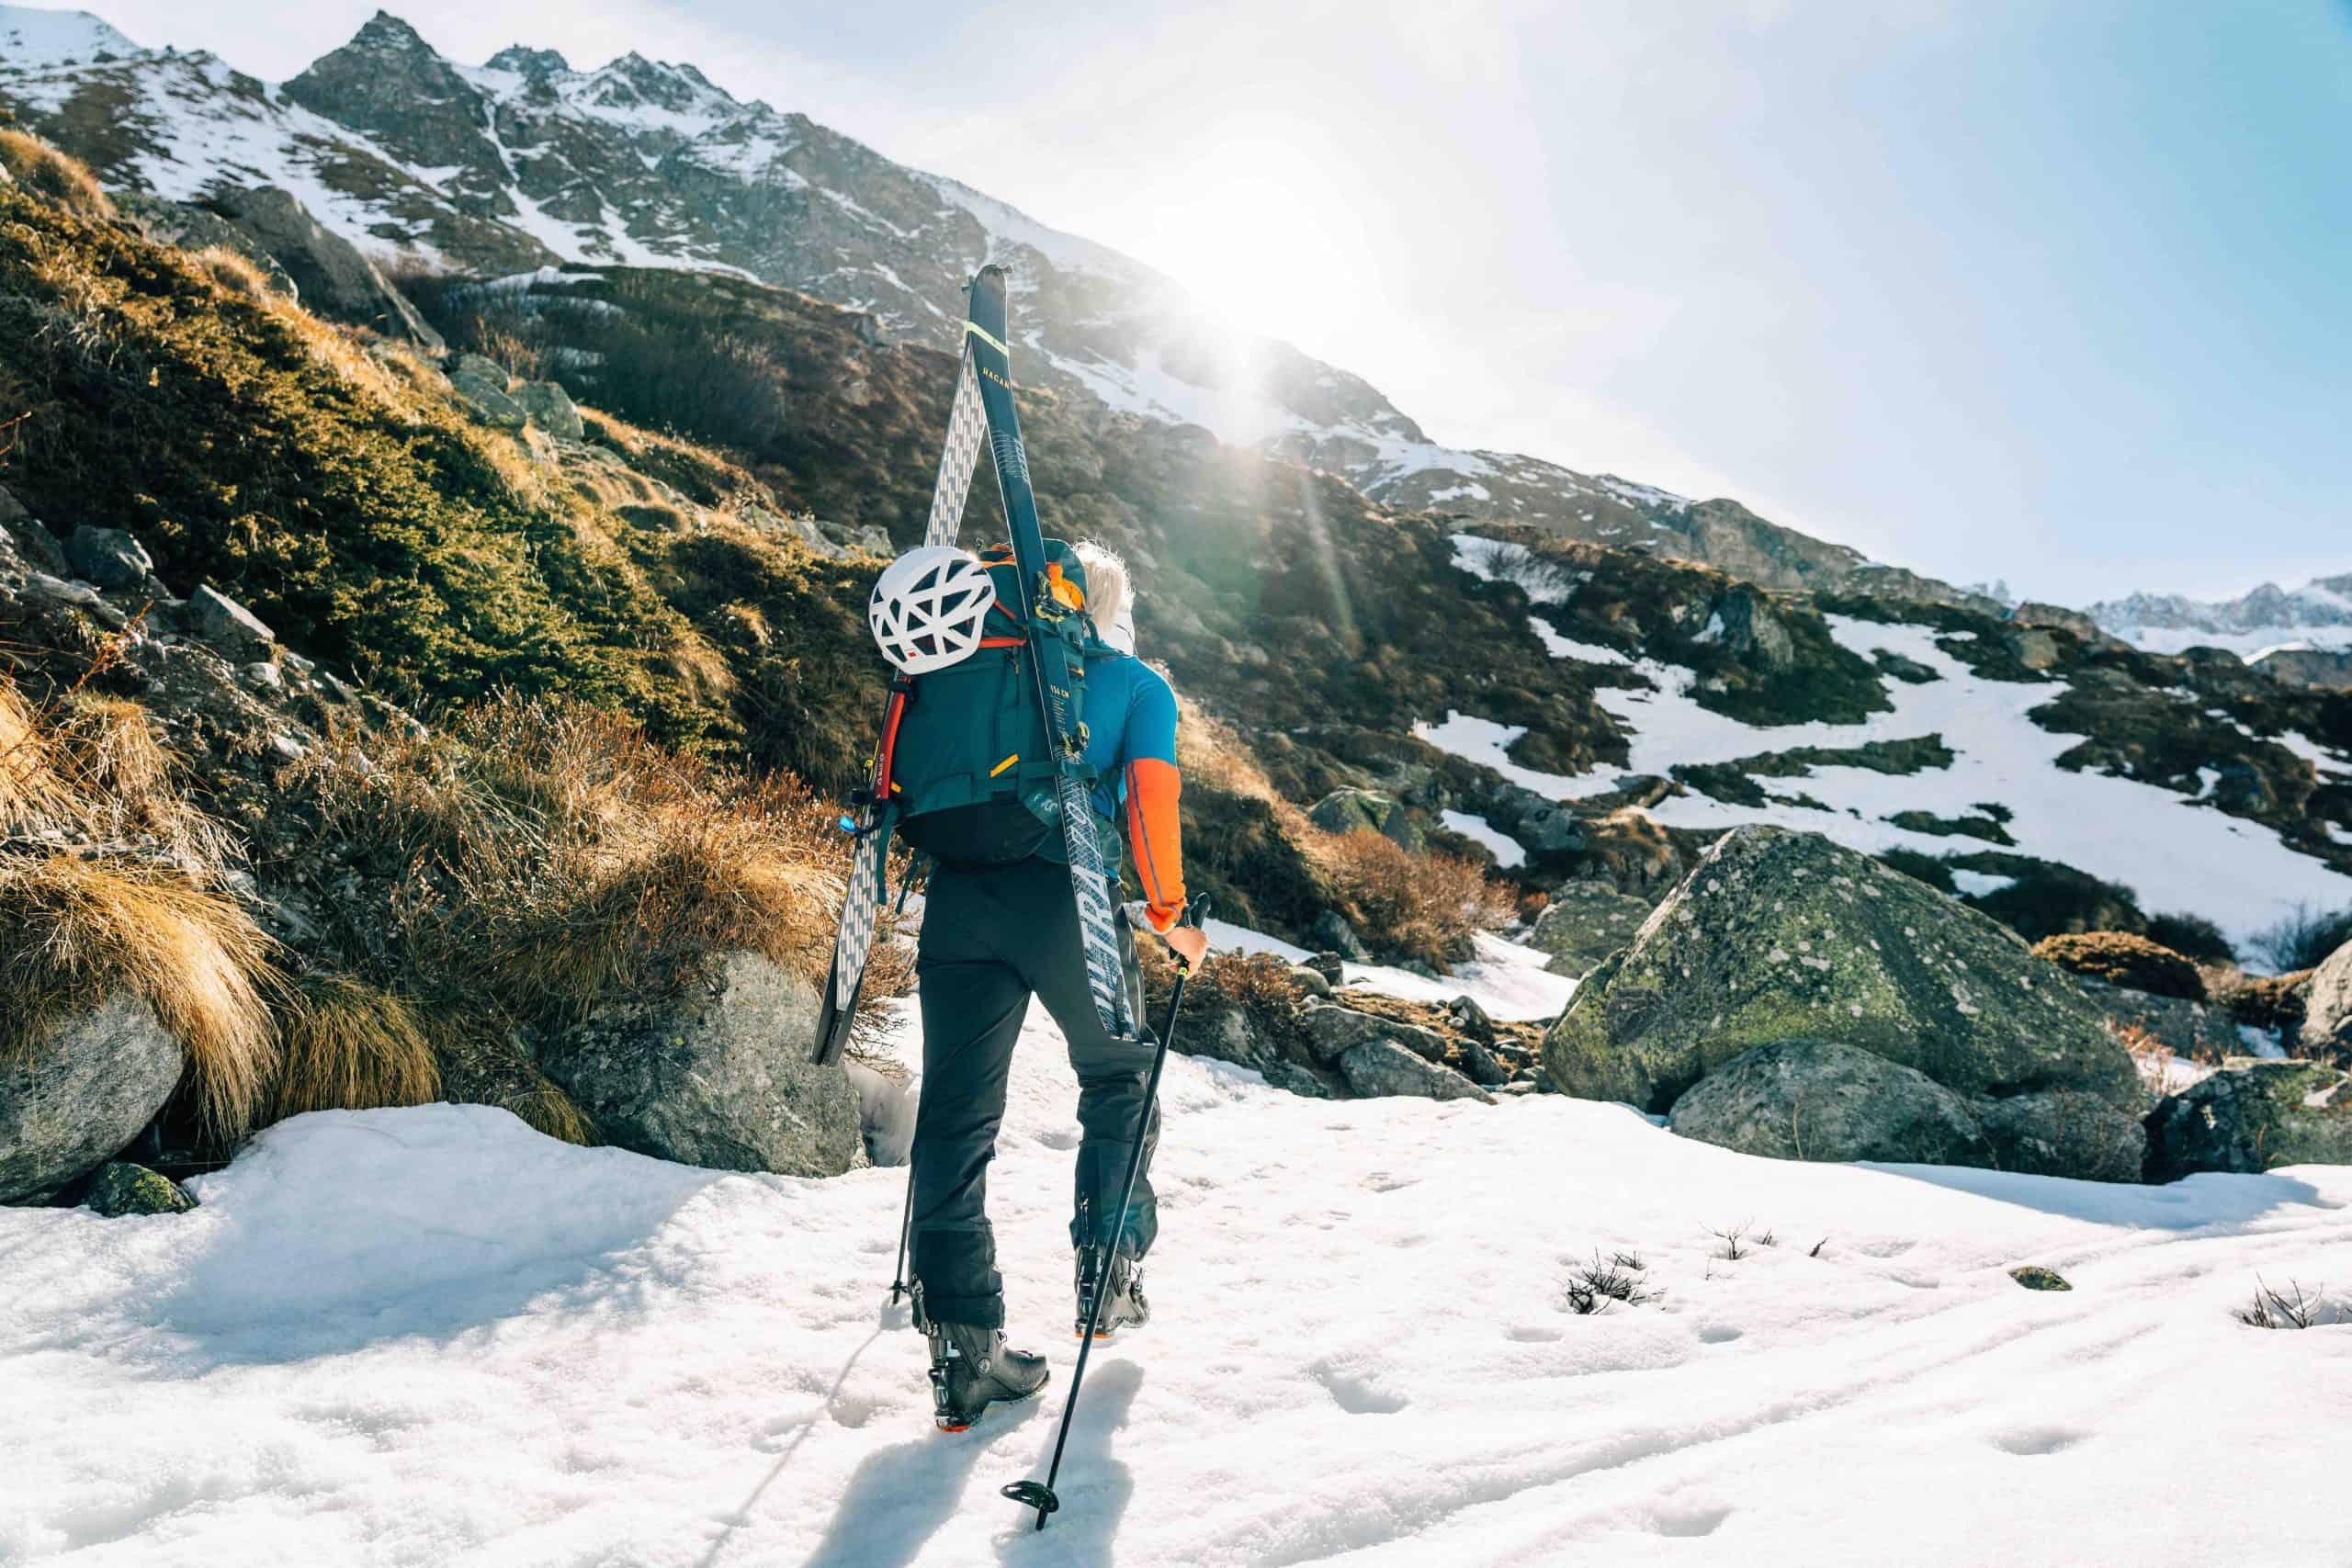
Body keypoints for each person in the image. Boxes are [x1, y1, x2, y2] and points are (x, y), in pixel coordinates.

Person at [902, 541, 1207, 1433]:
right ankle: (1105, 1280)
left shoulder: (975, 672)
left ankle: (963, 1353)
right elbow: (1148, 808)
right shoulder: (1136, 685)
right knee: (1119, 1075)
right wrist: (1171, 917)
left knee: (954, 1117)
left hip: (958, 898)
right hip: (1067, 895)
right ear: (1106, 611)